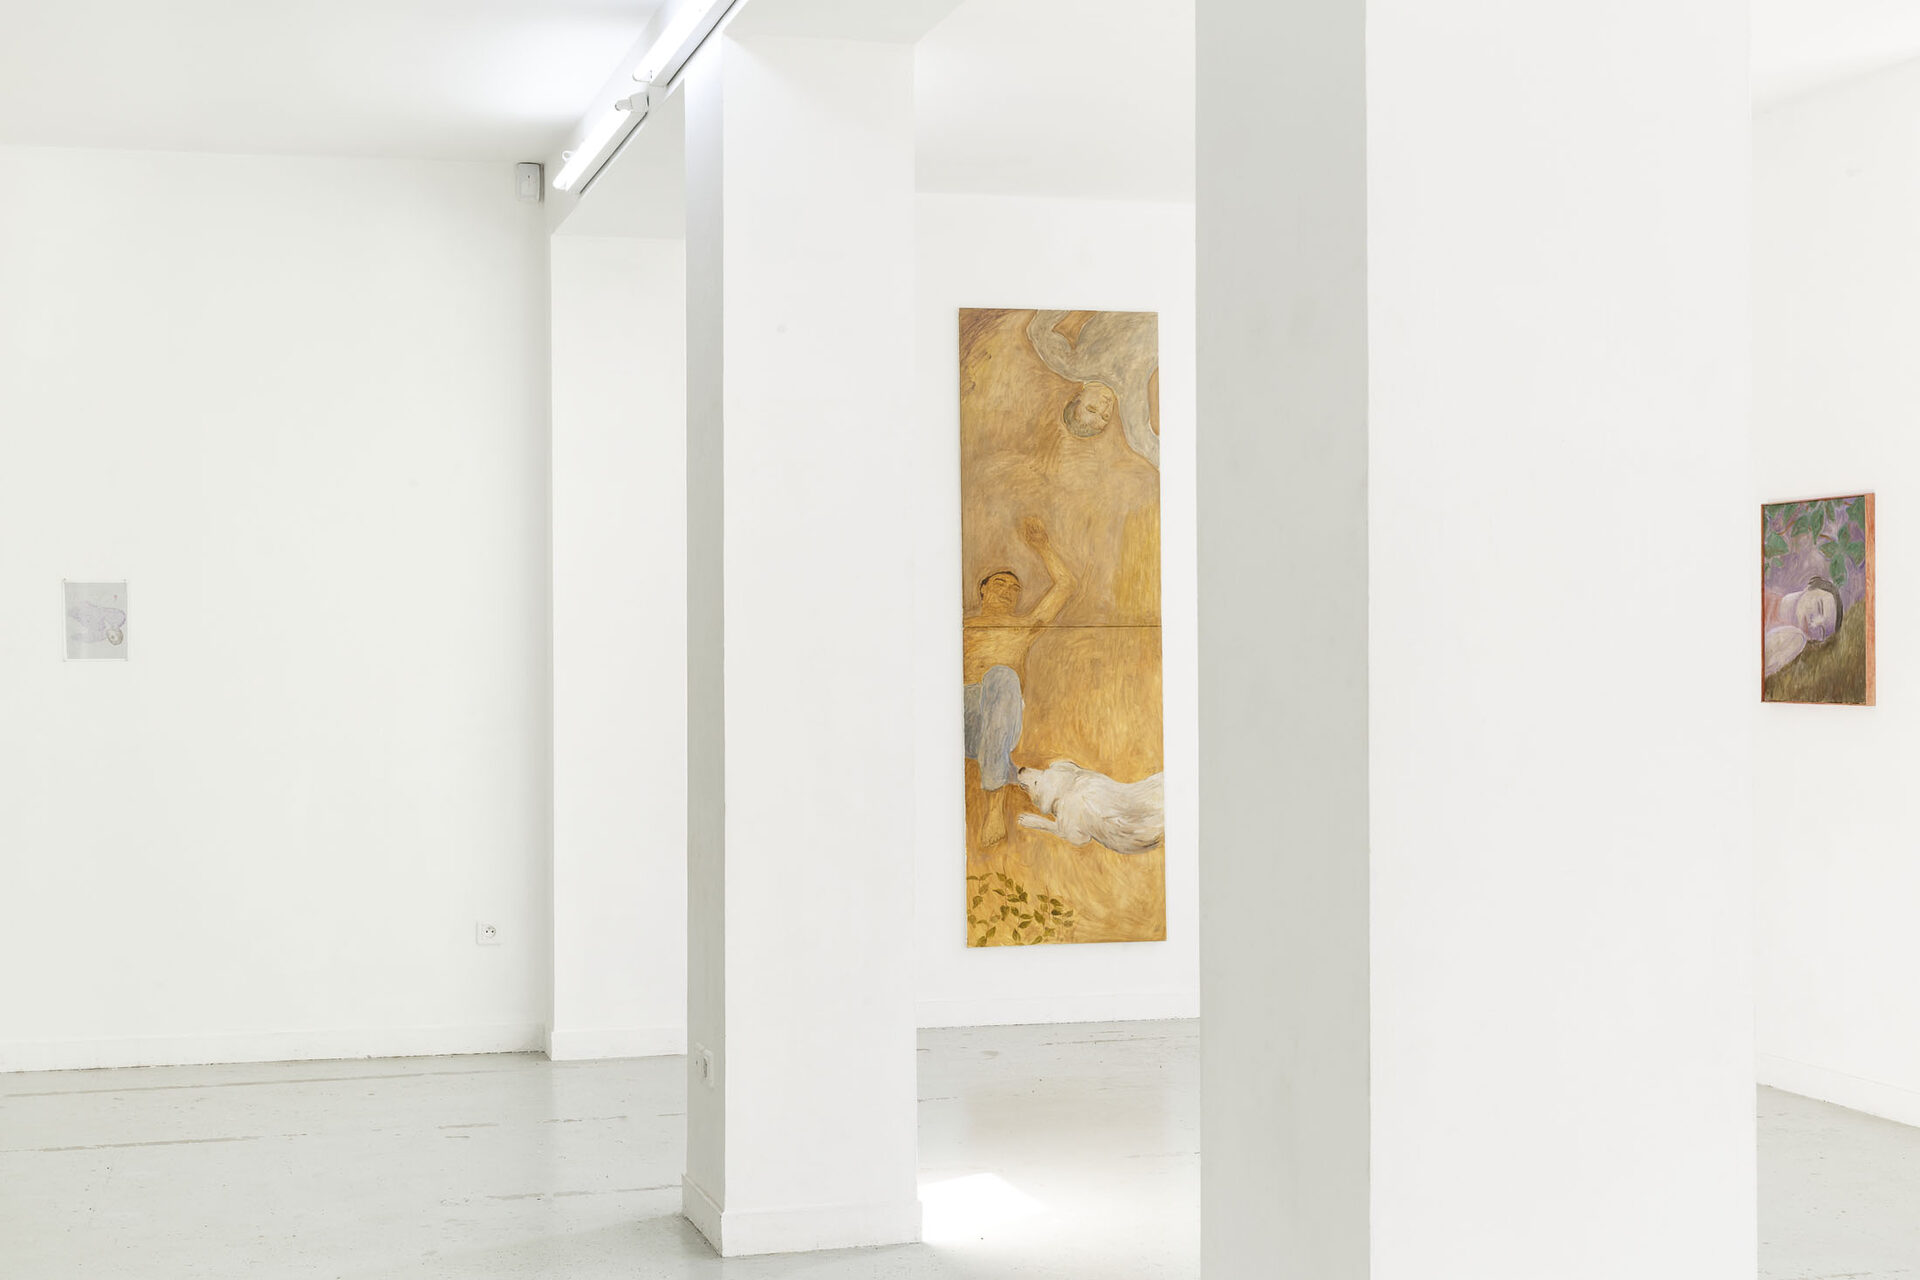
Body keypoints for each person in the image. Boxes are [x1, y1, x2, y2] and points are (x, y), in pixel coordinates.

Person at [963, 517, 1076, 848]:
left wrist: (1042, 546)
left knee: (1001, 675)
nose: (1007, 591)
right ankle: (1007, 771)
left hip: (1001, 712)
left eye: (1015, 589)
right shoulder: (961, 626)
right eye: (999, 583)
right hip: (958, 714)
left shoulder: (1024, 627)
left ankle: (994, 809)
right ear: (983, 589)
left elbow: (1066, 586)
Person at [1026, 310, 1160, 468]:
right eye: (1105, 416)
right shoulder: (1129, 400)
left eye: (1092, 408)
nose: (1104, 407)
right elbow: (1147, 446)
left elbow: (1037, 331)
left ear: (1078, 397)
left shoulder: (1074, 367)